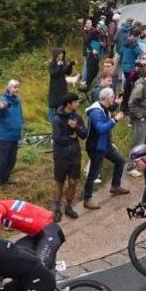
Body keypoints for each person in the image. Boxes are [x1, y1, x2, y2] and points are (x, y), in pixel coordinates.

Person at [82, 87, 129, 210]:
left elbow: (109, 109)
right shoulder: (95, 112)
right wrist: (115, 120)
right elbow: (101, 128)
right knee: (93, 173)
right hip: (96, 146)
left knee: (120, 161)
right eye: (112, 97)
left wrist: (117, 103)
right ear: (107, 98)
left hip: (105, 144)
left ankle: (115, 186)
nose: (113, 99)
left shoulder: (104, 107)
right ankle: (87, 199)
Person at [51, 93, 86, 221]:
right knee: (59, 182)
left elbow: (84, 134)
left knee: (73, 182)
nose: (78, 104)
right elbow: (57, 139)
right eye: (76, 102)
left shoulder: (77, 117)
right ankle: (57, 209)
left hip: (75, 154)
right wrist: (71, 139)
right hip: (61, 155)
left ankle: (68, 207)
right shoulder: (57, 119)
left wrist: (76, 127)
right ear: (69, 104)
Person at [0, 79, 25, 185]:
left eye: (18, 87)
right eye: (15, 87)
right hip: (5, 136)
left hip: (15, 135)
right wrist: (1, 108)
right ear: (9, 88)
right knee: (2, 161)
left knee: (12, 160)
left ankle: (6, 177)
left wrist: (21, 125)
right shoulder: (3, 100)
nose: (17, 89)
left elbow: (19, 115)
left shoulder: (17, 101)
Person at [126, 63, 146, 149]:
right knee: (139, 144)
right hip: (141, 121)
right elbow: (131, 103)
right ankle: (134, 162)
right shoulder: (140, 87)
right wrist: (140, 116)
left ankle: (145, 160)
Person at [48, 50, 75, 126]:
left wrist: (70, 65)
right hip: (54, 86)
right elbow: (53, 74)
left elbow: (67, 72)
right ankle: (52, 121)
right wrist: (59, 66)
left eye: (62, 54)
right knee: (54, 103)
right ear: (56, 54)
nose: (61, 56)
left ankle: (61, 120)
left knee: (62, 103)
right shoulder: (51, 64)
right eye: (60, 54)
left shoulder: (63, 62)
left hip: (62, 85)